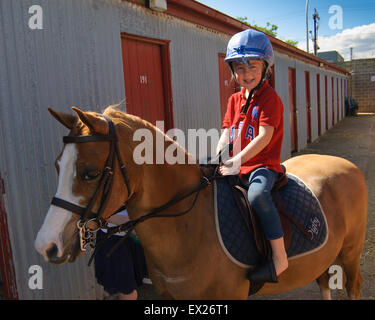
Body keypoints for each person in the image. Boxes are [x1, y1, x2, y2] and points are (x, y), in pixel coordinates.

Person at [216, 29, 288, 283]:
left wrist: (238, 161)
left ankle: (279, 258)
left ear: (266, 68)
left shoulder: (271, 99)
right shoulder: (234, 99)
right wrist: (219, 155)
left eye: (252, 68)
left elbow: (263, 137)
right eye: (239, 68)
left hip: (262, 165)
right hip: (237, 163)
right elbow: (227, 132)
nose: (245, 75)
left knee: (258, 195)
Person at [94, 209, 150, 300]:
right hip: (113, 238)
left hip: (135, 236)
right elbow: (90, 210)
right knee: (127, 289)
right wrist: (111, 218)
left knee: (130, 284)